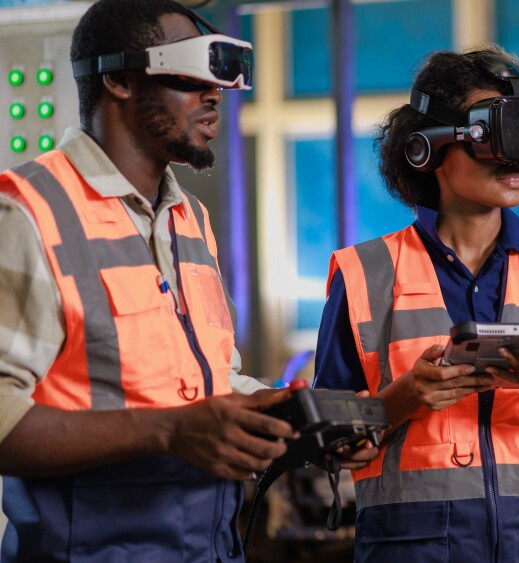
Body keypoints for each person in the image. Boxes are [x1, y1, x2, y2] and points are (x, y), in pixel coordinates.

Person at [0, 1, 374, 560]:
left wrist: (285, 416)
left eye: (219, 78)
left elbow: (209, 385)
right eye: (191, 71)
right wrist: (168, 433)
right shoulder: (29, 213)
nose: (214, 93)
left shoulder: (190, 220)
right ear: (120, 79)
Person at [313, 45, 519, 562]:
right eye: (495, 137)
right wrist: (402, 400)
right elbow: (333, 449)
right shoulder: (366, 274)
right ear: (426, 149)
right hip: (416, 545)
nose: (516, 159)